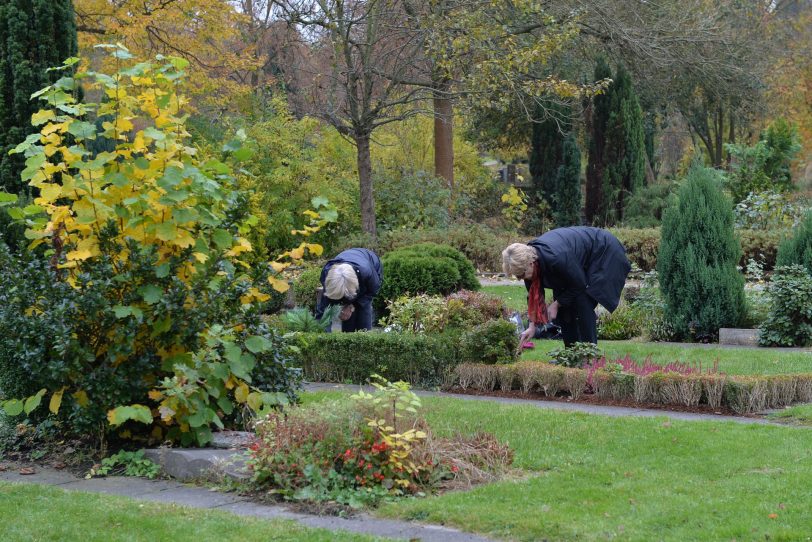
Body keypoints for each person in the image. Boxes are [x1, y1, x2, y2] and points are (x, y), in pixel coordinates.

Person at [502, 227, 631, 347]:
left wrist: (555, 304)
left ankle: (590, 356)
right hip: (576, 260)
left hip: (603, 251)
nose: (521, 278)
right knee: (565, 308)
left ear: (531, 263)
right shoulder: (531, 266)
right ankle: (571, 356)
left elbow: (579, 284)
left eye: (521, 274)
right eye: (517, 276)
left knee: (583, 301)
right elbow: (533, 297)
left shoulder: (556, 258)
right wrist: (531, 327)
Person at [314, 248, 383, 332]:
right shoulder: (327, 273)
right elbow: (323, 310)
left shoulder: (367, 273)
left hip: (370, 262)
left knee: (362, 309)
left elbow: (372, 291)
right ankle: (344, 338)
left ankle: (363, 338)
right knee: (324, 313)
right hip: (346, 264)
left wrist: (350, 306)